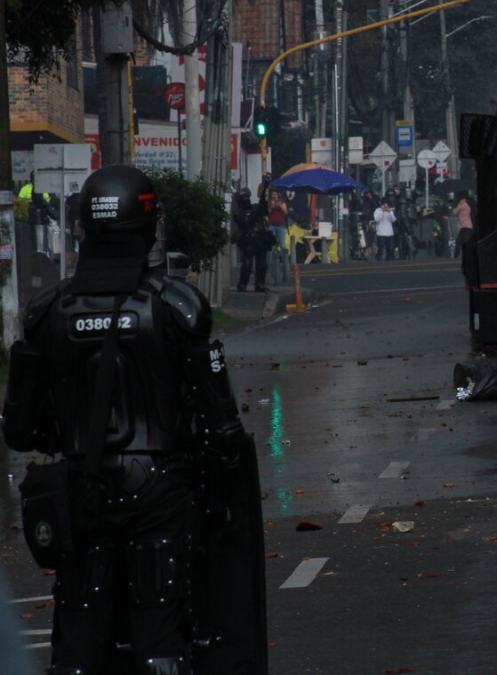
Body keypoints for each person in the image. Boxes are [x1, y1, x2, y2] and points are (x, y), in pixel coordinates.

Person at [2, 165, 262, 675]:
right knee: (161, 630)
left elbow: (20, 429)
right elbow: (222, 426)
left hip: (81, 490)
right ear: (147, 229)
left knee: (79, 631)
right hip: (161, 492)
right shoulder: (176, 308)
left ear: (85, 228)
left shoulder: (46, 312)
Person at [232, 187, 270, 292]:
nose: (246, 199)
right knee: (247, 264)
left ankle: (260, 285)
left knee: (262, 265)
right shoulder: (239, 213)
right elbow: (245, 223)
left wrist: (263, 198)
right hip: (248, 240)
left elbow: (264, 211)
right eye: (243, 197)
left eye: (247, 197)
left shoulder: (255, 208)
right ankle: (243, 284)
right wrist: (256, 214)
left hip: (260, 239)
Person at [266, 189, 289, 255]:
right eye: (273, 194)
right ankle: (270, 262)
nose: (274, 196)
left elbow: (285, 211)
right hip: (272, 225)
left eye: (275, 194)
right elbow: (268, 212)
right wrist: (272, 207)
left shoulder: (282, 202)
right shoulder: (269, 202)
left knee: (282, 244)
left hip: (280, 225)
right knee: (271, 245)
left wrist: (280, 205)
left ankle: (285, 261)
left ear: (278, 195)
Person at [374, 196, 396, 260]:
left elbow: (394, 220)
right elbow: (376, 219)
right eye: (384, 204)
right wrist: (382, 212)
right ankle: (379, 262)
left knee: (391, 250)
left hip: (390, 233)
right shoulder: (377, 210)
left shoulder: (390, 211)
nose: (385, 206)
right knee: (381, 250)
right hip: (381, 233)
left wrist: (390, 212)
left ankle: (390, 262)